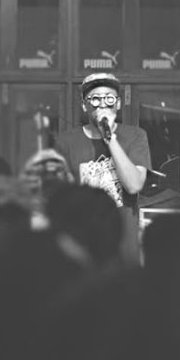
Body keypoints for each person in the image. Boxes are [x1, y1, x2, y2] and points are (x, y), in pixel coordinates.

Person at [54, 73, 151, 263]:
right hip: (82, 246)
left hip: (123, 246)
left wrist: (110, 139)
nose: (103, 104)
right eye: (95, 99)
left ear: (118, 103)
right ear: (84, 105)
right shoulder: (66, 141)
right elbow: (61, 199)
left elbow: (134, 185)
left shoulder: (135, 136)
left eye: (109, 98)